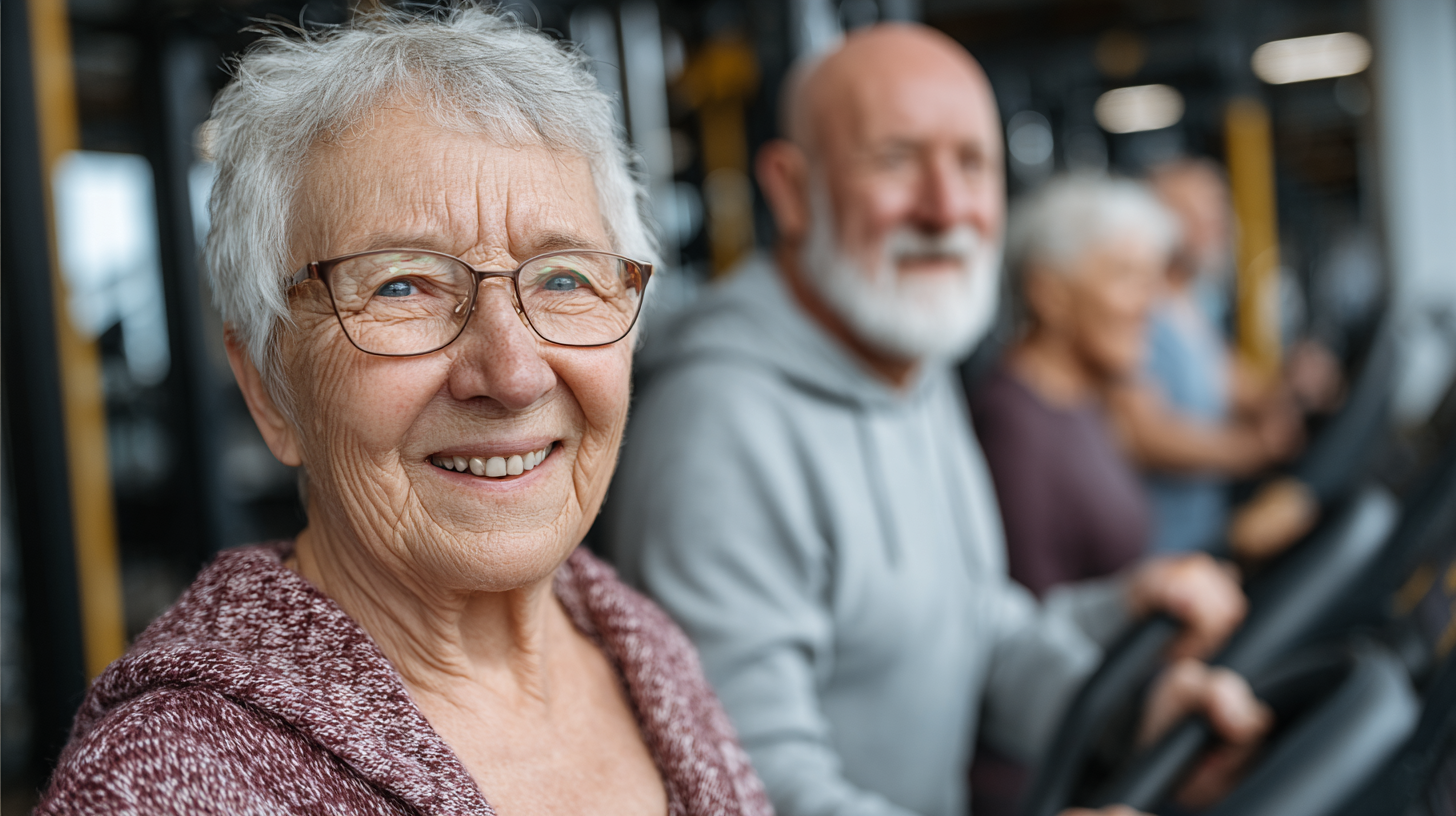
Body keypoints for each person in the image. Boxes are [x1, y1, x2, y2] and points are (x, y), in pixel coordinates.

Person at [37, 10, 770, 815]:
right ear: (268, 389)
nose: (515, 374)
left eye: (564, 279)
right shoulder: (160, 785)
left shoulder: (636, 643)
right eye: (401, 286)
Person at [603, 24, 1268, 816]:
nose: (946, 206)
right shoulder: (718, 424)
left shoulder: (911, 362)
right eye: (896, 159)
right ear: (789, 190)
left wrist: (1132, 705)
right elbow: (751, 786)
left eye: (972, 163)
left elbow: (976, 627)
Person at [1110, 158, 1335, 559]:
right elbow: (1146, 438)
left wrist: (1295, 383)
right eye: (1195, 213)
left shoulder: (1194, 303)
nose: (1218, 224)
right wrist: (1255, 450)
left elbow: (1244, 389)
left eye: (1218, 210)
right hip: (1162, 553)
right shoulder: (1135, 309)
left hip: (1207, 533)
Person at [971, 175, 1179, 598]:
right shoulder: (1014, 426)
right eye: (1126, 277)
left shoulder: (1082, 400)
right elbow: (1034, 625)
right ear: (1049, 294)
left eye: (1151, 280)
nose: (1149, 303)